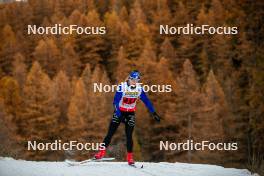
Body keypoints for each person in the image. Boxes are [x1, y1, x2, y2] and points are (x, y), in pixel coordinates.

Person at [94, 70, 161, 165]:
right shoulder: (122, 87)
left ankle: (130, 157)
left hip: (130, 113)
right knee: (110, 133)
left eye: (137, 80)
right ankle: (101, 152)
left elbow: (146, 101)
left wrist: (154, 113)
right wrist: (119, 115)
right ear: (129, 78)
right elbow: (115, 102)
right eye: (133, 80)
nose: (135, 82)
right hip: (119, 111)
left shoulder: (139, 89)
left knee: (129, 135)